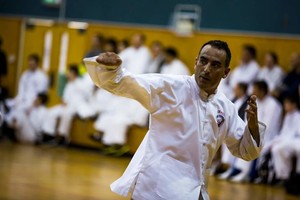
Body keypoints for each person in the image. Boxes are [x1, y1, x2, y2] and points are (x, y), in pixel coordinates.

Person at [84, 40, 266, 199]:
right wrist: (110, 68)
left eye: (215, 65)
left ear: (226, 72)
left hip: (196, 190)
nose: (207, 69)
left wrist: (252, 128)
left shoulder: (226, 107)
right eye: (203, 61)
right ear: (196, 62)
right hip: (155, 189)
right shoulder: (170, 88)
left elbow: (245, 152)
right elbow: (127, 83)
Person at [42, 65, 86, 144]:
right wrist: (64, 101)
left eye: (68, 72)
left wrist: (69, 103)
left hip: (75, 107)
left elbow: (81, 98)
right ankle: (49, 134)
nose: (67, 74)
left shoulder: (80, 83)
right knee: (51, 111)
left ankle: (63, 137)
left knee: (66, 114)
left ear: (73, 73)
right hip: (65, 106)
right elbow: (65, 97)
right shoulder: (68, 84)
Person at [269, 96, 300, 182]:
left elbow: (295, 134)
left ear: (293, 105)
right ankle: (282, 176)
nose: (285, 105)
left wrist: (281, 140)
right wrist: (276, 141)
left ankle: (292, 175)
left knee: (279, 148)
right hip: (287, 140)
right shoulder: (287, 116)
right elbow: (283, 133)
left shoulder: (298, 116)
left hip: (295, 141)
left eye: (287, 103)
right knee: (275, 148)